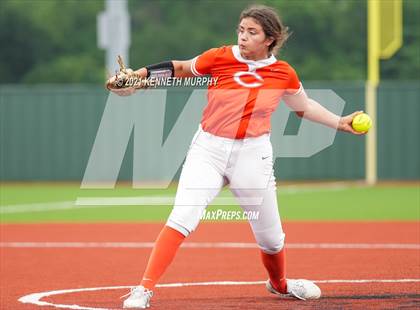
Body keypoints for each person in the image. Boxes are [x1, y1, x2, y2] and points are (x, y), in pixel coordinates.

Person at [107, 5, 365, 309]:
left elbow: (303, 107)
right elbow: (179, 68)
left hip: (253, 155)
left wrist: (339, 121)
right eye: (241, 30)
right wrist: (140, 75)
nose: (243, 37)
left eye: (252, 32)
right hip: (209, 149)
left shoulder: (282, 73)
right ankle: (143, 289)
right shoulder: (220, 57)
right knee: (182, 217)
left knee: (271, 239)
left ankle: (280, 285)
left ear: (270, 39)